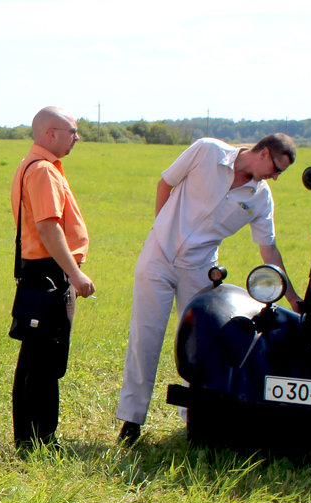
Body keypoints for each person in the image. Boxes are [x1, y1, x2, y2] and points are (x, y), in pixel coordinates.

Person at [116, 133, 300, 445]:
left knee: (200, 343)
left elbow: (268, 250)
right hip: (158, 256)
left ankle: (195, 422)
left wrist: (292, 297)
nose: (275, 177)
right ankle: (131, 423)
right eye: (276, 169)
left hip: (200, 267)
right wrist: (159, 230)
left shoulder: (260, 197)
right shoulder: (206, 151)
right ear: (265, 154)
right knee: (144, 337)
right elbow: (165, 183)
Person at [9, 107, 97, 450]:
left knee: (34, 357)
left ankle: (28, 437)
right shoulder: (43, 171)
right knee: (47, 358)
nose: (77, 138)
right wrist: (73, 273)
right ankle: (41, 439)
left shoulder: (32, 165)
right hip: (49, 272)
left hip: (38, 271)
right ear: (50, 133)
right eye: (72, 131)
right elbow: (48, 226)